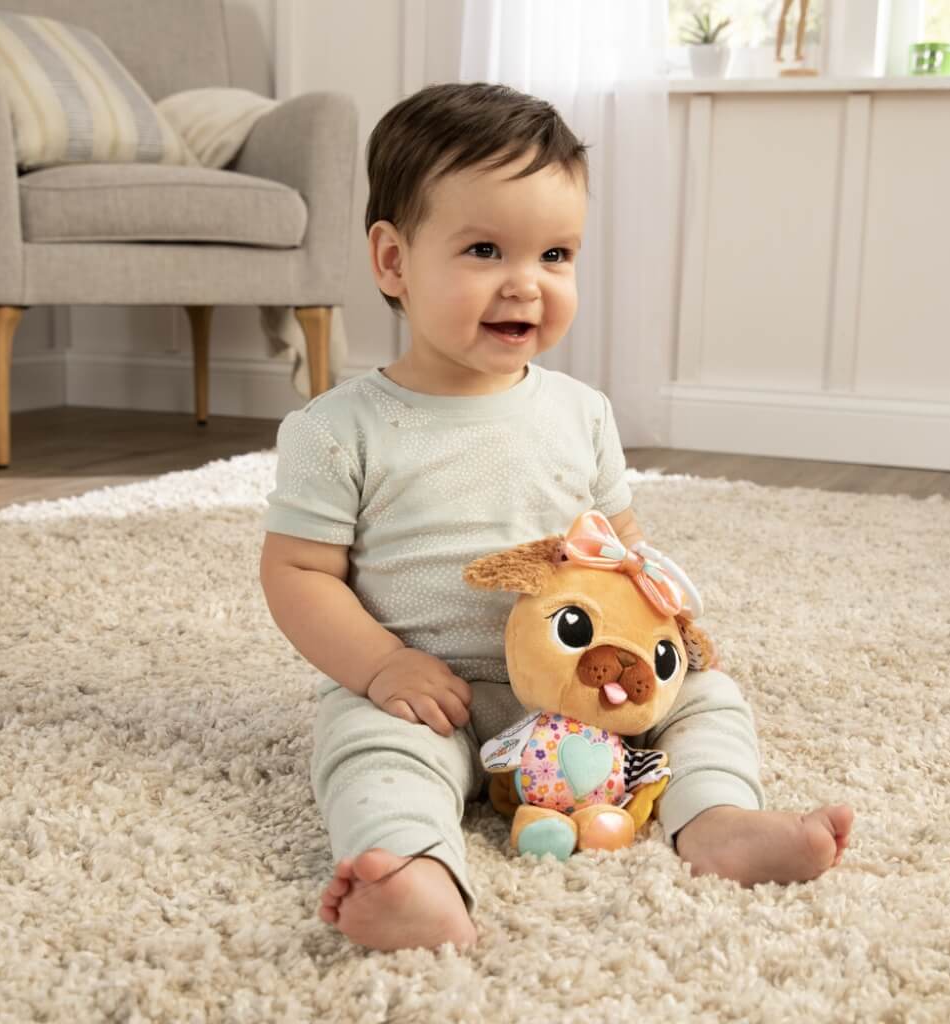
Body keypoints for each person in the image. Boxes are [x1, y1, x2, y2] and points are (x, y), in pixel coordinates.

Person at [259, 82, 853, 953]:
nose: (525, 285)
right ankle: (417, 872)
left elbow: (621, 549)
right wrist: (383, 666)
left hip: (591, 690)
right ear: (392, 261)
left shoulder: (583, 412)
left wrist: (666, 631)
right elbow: (298, 572)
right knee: (368, 751)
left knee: (709, 699)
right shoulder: (338, 430)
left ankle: (719, 819)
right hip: (431, 696)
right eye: (486, 249)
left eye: (557, 255)